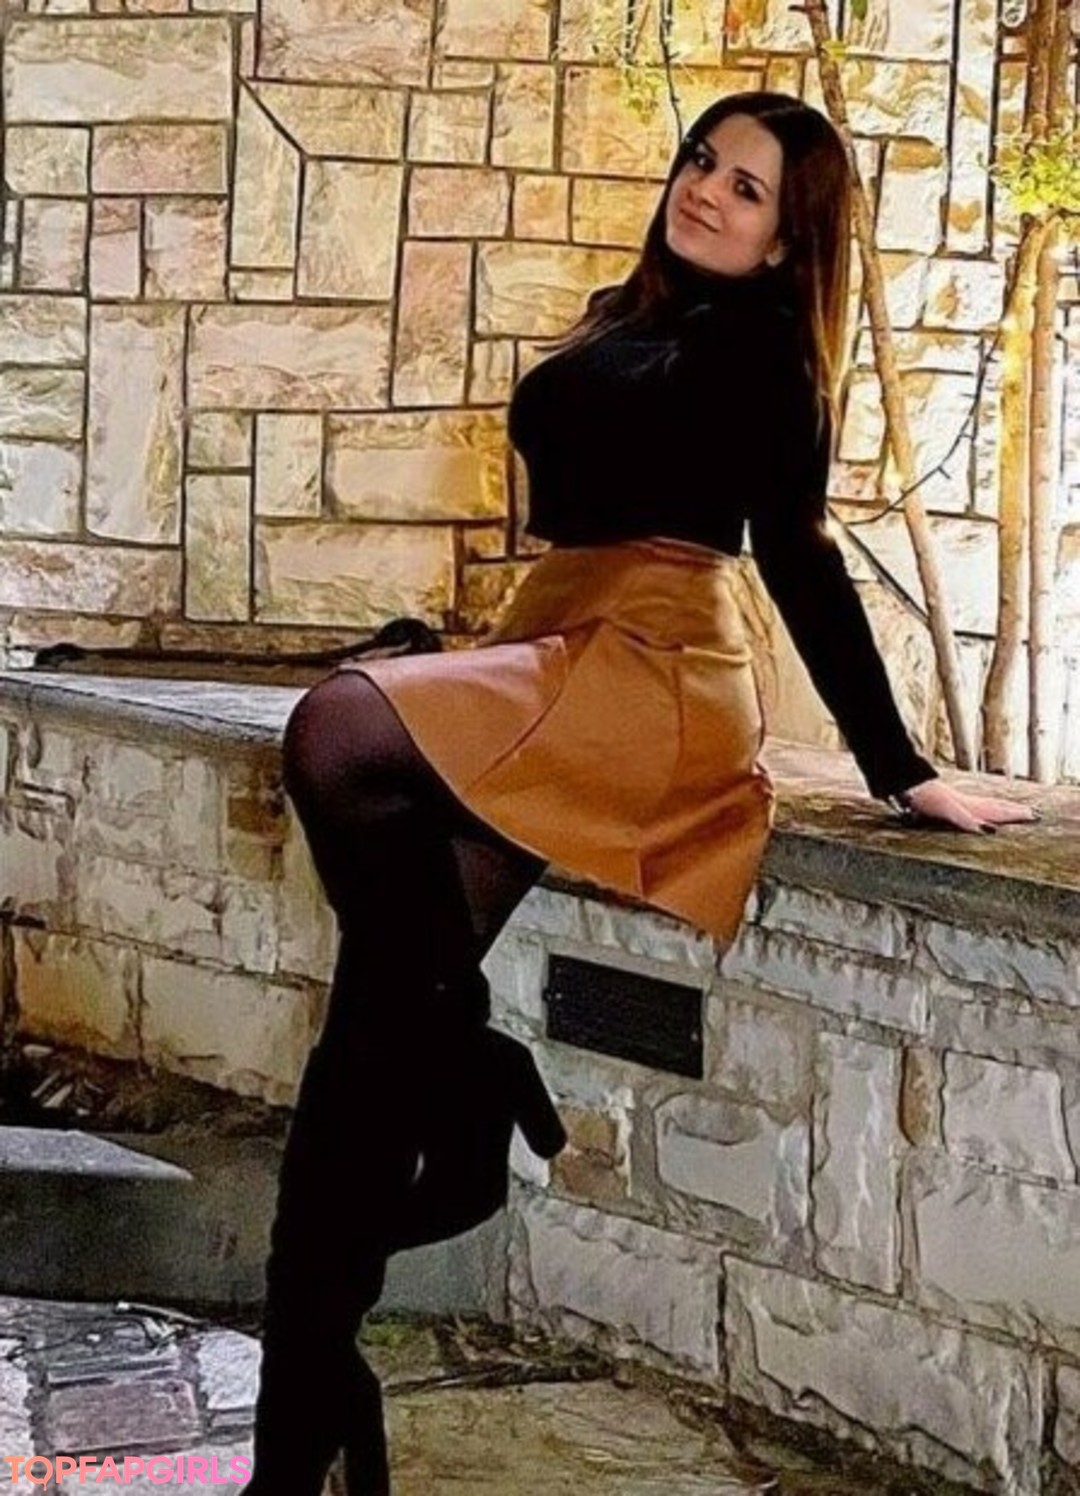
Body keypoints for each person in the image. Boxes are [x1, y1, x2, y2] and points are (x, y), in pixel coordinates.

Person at [244, 91, 1038, 1494]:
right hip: (562, 636)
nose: (707, 190)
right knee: (370, 1034)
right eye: (702, 161)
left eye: (748, 189)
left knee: (337, 734)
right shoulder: (627, 313)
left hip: (655, 672)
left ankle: (468, 1070)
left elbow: (798, 556)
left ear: (787, 242)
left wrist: (901, 767)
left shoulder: (762, 357)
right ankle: (307, 1416)